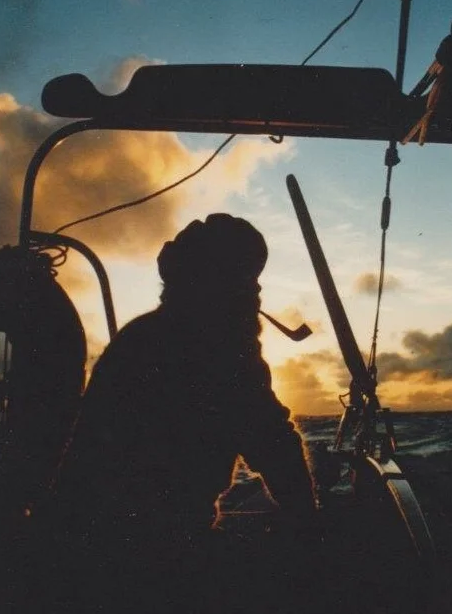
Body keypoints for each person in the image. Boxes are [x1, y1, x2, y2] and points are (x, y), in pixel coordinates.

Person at [52, 214, 317, 609]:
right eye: (247, 278)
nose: (257, 290)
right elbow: (272, 442)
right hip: (144, 563)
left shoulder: (140, 335)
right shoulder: (220, 348)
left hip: (80, 547)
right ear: (225, 284)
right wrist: (308, 526)